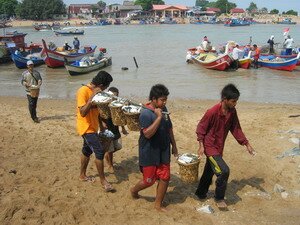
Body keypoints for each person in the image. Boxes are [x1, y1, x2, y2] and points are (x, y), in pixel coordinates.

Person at [195, 84, 255, 210]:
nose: (235, 104)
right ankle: (219, 197)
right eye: (233, 101)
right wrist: (201, 145)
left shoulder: (232, 112)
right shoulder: (212, 111)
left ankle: (200, 193)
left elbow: (236, 129)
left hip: (219, 146)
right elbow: (201, 128)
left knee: (209, 170)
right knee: (224, 171)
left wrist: (246, 144)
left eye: (236, 101)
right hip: (210, 147)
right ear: (225, 99)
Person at [130, 84, 178, 212]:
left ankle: (158, 204)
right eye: (162, 100)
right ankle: (134, 191)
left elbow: (169, 128)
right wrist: (158, 117)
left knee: (165, 177)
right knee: (149, 180)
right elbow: (147, 134)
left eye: (165, 99)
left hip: (163, 149)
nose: (164, 102)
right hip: (149, 151)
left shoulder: (164, 108)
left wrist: (174, 146)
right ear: (153, 99)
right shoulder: (145, 114)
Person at [76, 71, 115, 192]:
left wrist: (101, 126)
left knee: (86, 151)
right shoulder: (83, 90)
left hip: (93, 127)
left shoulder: (98, 93)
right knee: (99, 152)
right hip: (85, 127)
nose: (105, 89)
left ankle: (82, 175)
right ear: (102, 84)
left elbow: (96, 110)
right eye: (106, 87)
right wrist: (92, 96)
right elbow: (83, 112)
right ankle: (103, 181)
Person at [99, 87, 128, 173]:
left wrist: (123, 128)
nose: (113, 97)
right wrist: (101, 124)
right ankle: (110, 165)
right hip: (107, 128)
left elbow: (121, 117)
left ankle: (106, 153)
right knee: (110, 150)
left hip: (115, 128)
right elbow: (98, 113)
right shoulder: (104, 103)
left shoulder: (117, 104)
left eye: (116, 96)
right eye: (112, 95)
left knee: (118, 146)